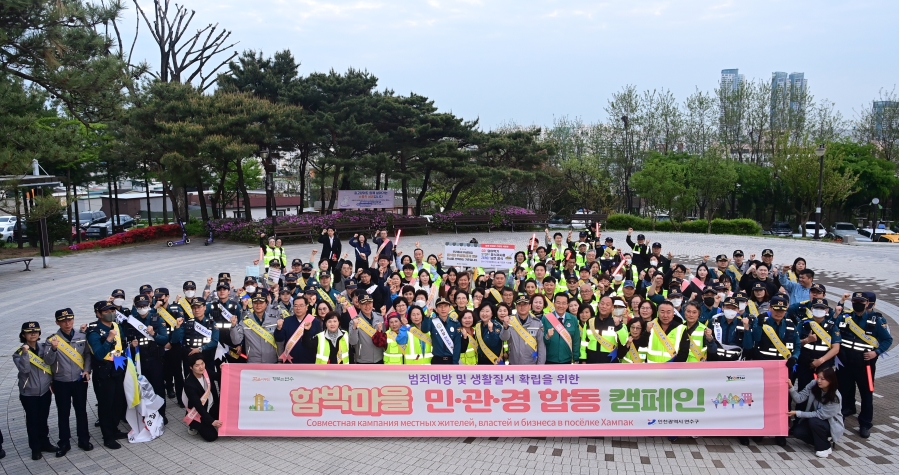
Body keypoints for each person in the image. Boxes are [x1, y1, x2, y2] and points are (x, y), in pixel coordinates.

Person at [836, 292, 892, 438]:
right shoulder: (845, 317)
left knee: (867, 394)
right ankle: (840, 417)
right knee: (841, 392)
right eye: (855, 301)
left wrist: (876, 352)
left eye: (861, 301)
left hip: (864, 365)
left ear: (867, 303)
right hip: (845, 364)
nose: (857, 303)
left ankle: (865, 423)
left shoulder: (876, 320)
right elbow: (832, 330)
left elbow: (887, 339)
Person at [748, 295, 798, 446]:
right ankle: (761, 431)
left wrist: (795, 357)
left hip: (784, 368)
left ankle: (780, 431)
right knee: (763, 399)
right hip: (765, 368)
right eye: (776, 309)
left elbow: (797, 344)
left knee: (783, 401)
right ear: (770, 308)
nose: (778, 312)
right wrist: (758, 324)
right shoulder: (763, 322)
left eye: (782, 310)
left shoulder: (790, 323)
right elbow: (755, 339)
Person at [45, 308, 93, 456]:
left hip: (79, 380)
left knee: (81, 411)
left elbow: (87, 355)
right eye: (63, 321)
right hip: (61, 382)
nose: (67, 323)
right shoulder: (52, 340)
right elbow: (47, 361)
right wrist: (53, 349)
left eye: (70, 319)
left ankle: (83, 439)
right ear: (57, 322)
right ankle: (64, 442)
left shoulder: (81, 336)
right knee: (63, 413)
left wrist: (87, 370)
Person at [85, 303, 128, 449]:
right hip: (103, 371)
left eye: (112, 310)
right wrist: (109, 338)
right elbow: (98, 353)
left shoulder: (116, 326)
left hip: (118, 366)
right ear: (98, 314)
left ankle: (115, 429)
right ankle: (107, 436)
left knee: (118, 402)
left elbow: (121, 345)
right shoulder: (94, 331)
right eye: (106, 311)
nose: (110, 312)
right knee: (106, 405)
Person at [123, 294, 169, 424]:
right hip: (140, 362)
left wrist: (154, 334)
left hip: (155, 359)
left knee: (158, 388)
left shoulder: (157, 319)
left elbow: (165, 340)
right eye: (139, 306)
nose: (142, 308)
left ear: (149, 305)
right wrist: (131, 346)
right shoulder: (131, 322)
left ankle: (161, 414)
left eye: (144, 305)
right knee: (142, 389)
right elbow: (125, 341)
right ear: (136, 307)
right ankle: (144, 414)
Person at [15, 322, 57, 460]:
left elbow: (50, 362)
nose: (33, 334)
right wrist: (25, 353)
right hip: (29, 393)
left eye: (36, 331)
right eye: (29, 332)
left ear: (39, 333)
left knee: (43, 419)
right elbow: (25, 370)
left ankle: (45, 443)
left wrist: (54, 349)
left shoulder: (44, 347)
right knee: (32, 421)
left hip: (44, 391)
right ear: (23, 335)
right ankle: (35, 448)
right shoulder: (18, 353)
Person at [788, 366, 843, 458]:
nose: (819, 381)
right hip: (814, 421)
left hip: (829, 423)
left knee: (814, 421)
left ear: (831, 380)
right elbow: (799, 399)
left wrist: (797, 413)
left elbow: (820, 415)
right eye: (818, 377)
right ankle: (824, 442)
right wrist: (791, 388)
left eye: (823, 379)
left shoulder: (835, 397)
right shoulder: (814, 384)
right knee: (798, 432)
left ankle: (823, 448)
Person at [796, 298, 841, 390]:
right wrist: (807, 340)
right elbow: (795, 344)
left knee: (822, 392)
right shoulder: (803, 324)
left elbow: (836, 348)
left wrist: (820, 361)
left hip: (823, 365)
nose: (819, 310)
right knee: (803, 389)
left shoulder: (831, 326)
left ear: (827, 310)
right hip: (805, 364)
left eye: (822, 308)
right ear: (812, 309)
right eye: (817, 308)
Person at [172, 297, 219, 382]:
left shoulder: (211, 323)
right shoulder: (187, 323)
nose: (196, 310)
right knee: (191, 383)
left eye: (199, 307)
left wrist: (200, 349)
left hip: (207, 357)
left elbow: (215, 341)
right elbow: (175, 340)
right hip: (191, 359)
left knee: (209, 382)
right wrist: (177, 327)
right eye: (194, 308)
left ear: (204, 307)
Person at [232, 290, 280, 364]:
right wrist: (233, 327)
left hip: (272, 361)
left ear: (266, 304)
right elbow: (236, 341)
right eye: (255, 303)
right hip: (253, 362)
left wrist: (280, 359)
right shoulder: (245, 321)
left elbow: (280, 342)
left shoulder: (274, 320)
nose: (258, 305)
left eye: (261, 303)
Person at [182, 353, 222, 442]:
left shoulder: (205, 371)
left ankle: (210, 419)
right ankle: (193, 426)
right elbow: (198, 406)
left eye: (202, 364)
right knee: (211, 437)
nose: (201, 367)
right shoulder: (189, 384)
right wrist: (212, 421)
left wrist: (223, 369)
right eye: (197, 365)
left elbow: (219, 376)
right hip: (198, 413)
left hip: (210, 406)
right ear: (191, 367)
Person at [275, 296, 322, 363]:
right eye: (295, 306)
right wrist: (278, 329)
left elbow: (319, 341)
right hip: (290, 361)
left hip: (309, 361)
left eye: (301, 305)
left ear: (306, 307)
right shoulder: (287, 321)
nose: (298, 308)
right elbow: (279, 339)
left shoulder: (315, 322)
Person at [501, 295, 546, 365]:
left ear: (530, 306)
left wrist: (540, 366)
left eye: (525, 304)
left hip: (531, 364)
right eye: (519, 305)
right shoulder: (510, 320)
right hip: (513, 364)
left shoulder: (537, 323)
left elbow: (541, 347)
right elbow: (504, 338)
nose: (522, 307)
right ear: (516, 307)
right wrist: (505, 327)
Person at [583, 296, 628, 364]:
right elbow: (583, 343)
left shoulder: (617, 323)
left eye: (607, 304)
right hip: (591, 361)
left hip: (610, 362)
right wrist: (583, 359)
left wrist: (618, 326)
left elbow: (624, 341)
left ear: (612, 308)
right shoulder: (590, 322)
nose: (604, 306)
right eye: (602, 303)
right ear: (598, 305)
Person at [543, 293, 581, 364]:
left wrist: (576, 358)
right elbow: (541, 341)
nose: (561, 306)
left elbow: (576, 341)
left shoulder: (573, 319)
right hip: (549, 359)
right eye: (558, 303)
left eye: (564, 303)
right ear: (554, 304)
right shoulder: (546, 318)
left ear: (567, 305)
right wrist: (547, 337)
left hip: (567, 360)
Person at [349, 295, 386, 364]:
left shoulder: (380, 317)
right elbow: (352, 342)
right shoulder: (354, 321)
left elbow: (384, 338)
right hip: (363, 359)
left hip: (379, 357)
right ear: (359, 305)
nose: (367, 306)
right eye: (364, 304)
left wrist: (380, 333)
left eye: (369, 303)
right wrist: (354, 328)